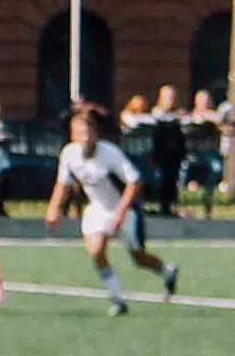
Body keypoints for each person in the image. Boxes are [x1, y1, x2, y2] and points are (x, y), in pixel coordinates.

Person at [45, 101, 175, 312]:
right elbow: (63, 184)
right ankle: (117, 299)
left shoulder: (110, 153)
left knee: (139, 258)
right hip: (97, 208)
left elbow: (134, 182)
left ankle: (167, 271)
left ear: (95, 134)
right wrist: (53, 209)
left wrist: (118, 215)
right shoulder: (69, 154)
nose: (85, 137)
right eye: (79, 133)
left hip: (124, 209)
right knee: (96, 250)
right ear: (72, 136)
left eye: (88, 132)